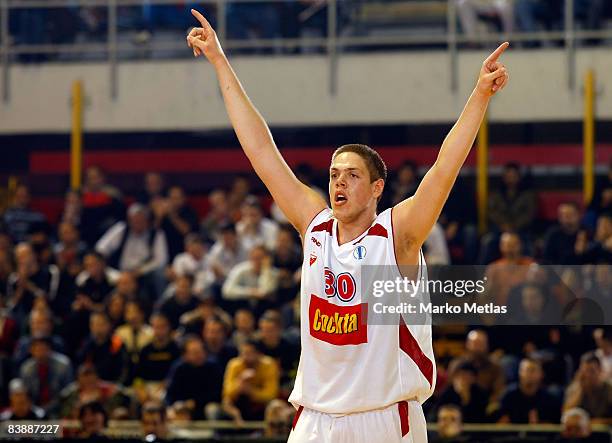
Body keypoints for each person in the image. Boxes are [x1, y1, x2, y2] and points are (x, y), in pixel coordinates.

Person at [187, 12, 509, 441]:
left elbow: (444, 168)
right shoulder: (314, 226)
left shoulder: (397, 235)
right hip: (315, 418)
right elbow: (261, 149)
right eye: (335, 173)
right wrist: (219, 60)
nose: (339, 181)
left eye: (352, 175)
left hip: (383, 417)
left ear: (377, 187)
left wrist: (480, 96)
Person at [497, 358, 561, 424]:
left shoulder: (549, 400)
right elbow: (502, 424)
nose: (528, 374)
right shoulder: (508, 396)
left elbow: (554, 425)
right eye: (525, 370)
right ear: (519, 373)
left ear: (541, 374)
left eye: (532, 370)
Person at [563, 352, 612, 424]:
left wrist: (591, 423)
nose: (588, 375)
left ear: (600, 370)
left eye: (592, 371)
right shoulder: (574, 389)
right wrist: (580, 389)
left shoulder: (609, 389)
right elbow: (566, 415)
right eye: (584, 371)